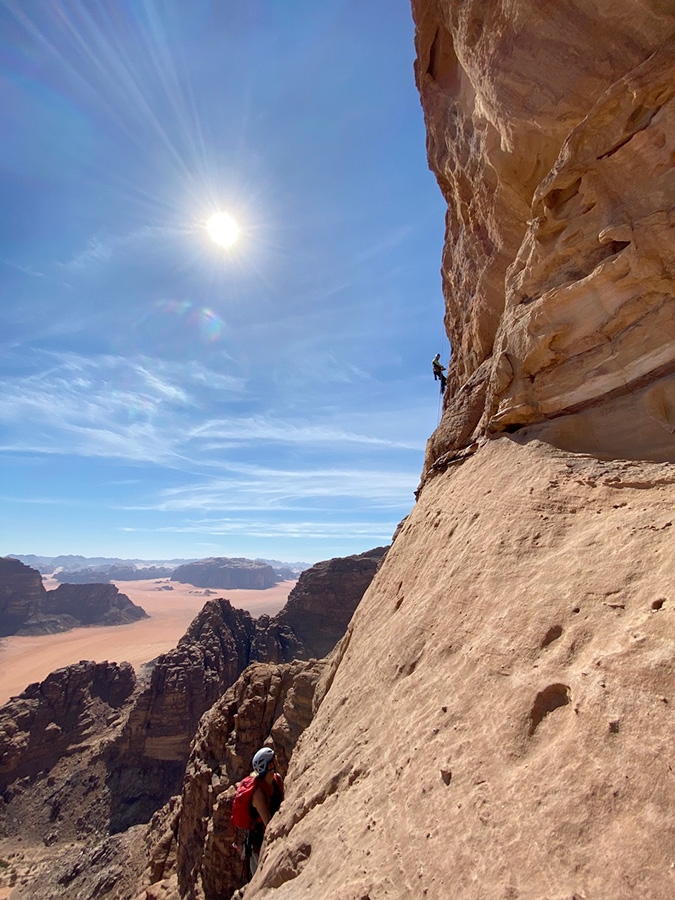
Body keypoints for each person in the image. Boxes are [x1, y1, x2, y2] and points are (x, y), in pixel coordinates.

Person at [248, 747, 284, 877]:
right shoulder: (258, 794)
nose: (277, 760)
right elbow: (268, 823)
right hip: (259, 843)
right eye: (274, 759)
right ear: (269, 765)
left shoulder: (277, 779)